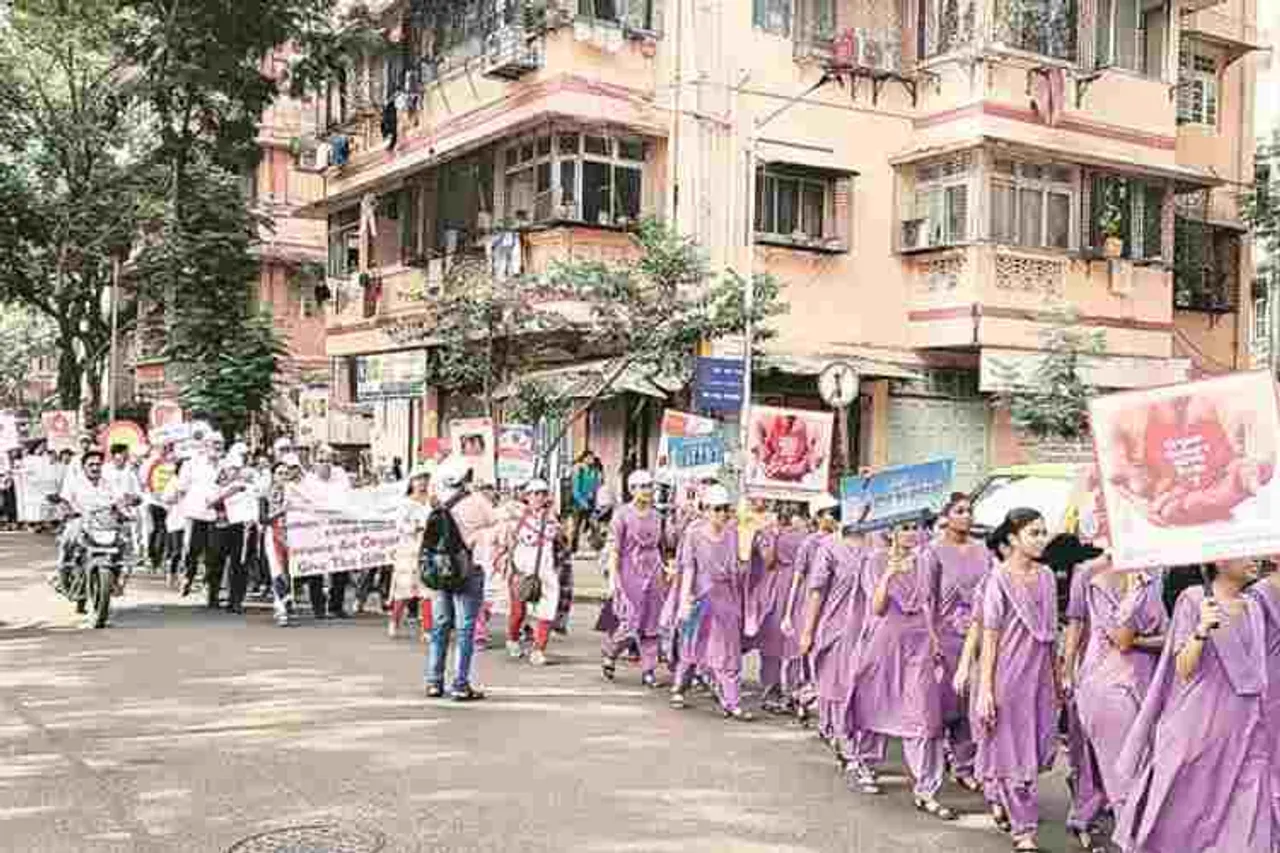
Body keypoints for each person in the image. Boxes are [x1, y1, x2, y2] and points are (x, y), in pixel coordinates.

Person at [1113, 559, 1273, 853]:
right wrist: (1200, 630)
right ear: (1219, 559)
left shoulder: (1253, 606)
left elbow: (1258, 673)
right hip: (1197, 729)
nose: (1254, 559)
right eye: (1244, 553)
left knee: (1246, 825)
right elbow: (1184, 669)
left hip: (1245, 731)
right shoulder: (1193, 599)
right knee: (1185, 823)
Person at [1060, 549, 1167, 851]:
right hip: (1108, 684)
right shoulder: (1095, 576)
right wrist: (1067, 670)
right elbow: (1112, 636)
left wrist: (1143, 640)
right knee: (1122, 775)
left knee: (1146, 770)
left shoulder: (1154, 572)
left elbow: (1168, 632)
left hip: (1148, 681)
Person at [851, 519, 956, 820]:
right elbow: (877, 608)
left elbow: (931, 604)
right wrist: (889, 574)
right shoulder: (874, 560)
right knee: (876, 703)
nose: (912, 533)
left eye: (916, 527)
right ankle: (866, 763)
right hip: (886, 639)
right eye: (905, 527)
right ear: (891, 531)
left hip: (920, 642)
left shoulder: (926, 560)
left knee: (924, 715)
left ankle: (927, 788)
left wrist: (935, 640)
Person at [975, 508, 1057, 853]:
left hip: (1040, 676)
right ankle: (1024, 831)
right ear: (1012, 538)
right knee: (1012, 750)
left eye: (1043, 532)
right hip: (1008, 674)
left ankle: (1003, 797)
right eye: (1033, 533)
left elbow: (1051, 632)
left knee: (1035, 749)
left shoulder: (1048, 575)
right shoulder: (999, 578)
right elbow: (990, 636)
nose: (1041, 539)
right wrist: (985, 689)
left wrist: (1058, 677)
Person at [922, 493, 992, 793]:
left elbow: (991, 593)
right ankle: (934, 763)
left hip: (976, 636)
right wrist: (931, 638)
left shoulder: (983, 551)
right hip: (945, 636)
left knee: (970, 702)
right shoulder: (932, 552)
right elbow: (926, 600)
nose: (967, 516)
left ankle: (965, 764)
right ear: (945, 516)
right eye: (960, 511)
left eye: (969, 511)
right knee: (944, 701)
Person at [669, 483, 750, 719]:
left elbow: (737, 566)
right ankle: (680, 686)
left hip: (727, 597)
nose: (721, 514)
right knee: (693, 647)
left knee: (730, 650)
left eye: (725, 509)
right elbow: (689, 569)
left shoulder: (733, 533)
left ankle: (732, 701)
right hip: (701, 597)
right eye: (716, 509)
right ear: (705, 510)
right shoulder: (693, 534)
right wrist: (684, 601)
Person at [425, 456, 496, 701]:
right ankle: (460, 683)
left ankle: (434, 681)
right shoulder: (477, 501)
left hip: (440, 568)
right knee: (466, 629)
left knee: (440, 625)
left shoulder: (435, 501)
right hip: (468, 568)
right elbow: (495, 521)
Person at [797, 517, 865, 772]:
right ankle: (846, 746)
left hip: (870, 631)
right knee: (839, 690)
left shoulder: (881, 545)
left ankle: (858, 748)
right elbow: (817, 591)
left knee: (862, 691)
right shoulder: (829, 547)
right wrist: (808, 631)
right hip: (837, 628)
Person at [601, 471, 668, 687]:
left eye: (649, 486)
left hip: (654, 572)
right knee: (631, 621)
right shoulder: (622, 515)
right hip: (629, 573)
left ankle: (649, 670)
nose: (647, 490)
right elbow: (614, 550)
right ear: (632, 490)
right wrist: (613, 579)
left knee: (652, 624)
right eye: (642, 486)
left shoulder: (658, 516)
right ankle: (611, 651)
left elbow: (664, 546)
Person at [780, 494, 840, 717]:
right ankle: (798, 695)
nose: (834, 518)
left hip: (833, 605)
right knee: (804, 652)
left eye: (836, 513)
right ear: (818, 517)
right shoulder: (809, 543)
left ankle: (816, 699)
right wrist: (788, 613)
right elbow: (797, 578)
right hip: (808, 603)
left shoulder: (842, 540)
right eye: (830, 514)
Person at [744, 505, 808, 713]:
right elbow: (768, 562)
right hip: (774, 587)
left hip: (798, 588)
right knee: (771, 641)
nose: (787, 512)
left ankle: (793, 693)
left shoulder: (805, 532)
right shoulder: (767, 531)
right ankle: (771, 690)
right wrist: (772, 537)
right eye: (783, 507)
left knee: (795, 643)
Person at [506, 478, 566, 667]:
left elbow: (562, 543)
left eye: (543, 493)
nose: (539, 497)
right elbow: (508, 543)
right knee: (518, 611)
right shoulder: (516, 517)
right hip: (522, 572)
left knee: (547, 611)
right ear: (527, 496)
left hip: (546, 572)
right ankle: (513, 638)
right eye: (535, 493)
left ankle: (539, 649)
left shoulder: (552, 518)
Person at [302, 446, 353, 618]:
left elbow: (348, 498)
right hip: (316, 529)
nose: (325, 465)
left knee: (340, 569)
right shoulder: (308, 480)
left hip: (338, 529)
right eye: (321, 461)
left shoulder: (341, 476)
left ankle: (336, 605)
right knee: (315, 570)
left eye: (329, 461)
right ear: (314, 463)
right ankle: (318, 606)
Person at [176, 432, 224, 600]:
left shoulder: (225, 466)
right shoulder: (191, 464)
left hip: (217, 516)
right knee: (191, 550)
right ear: (205, 446)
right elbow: (181, 489)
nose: (218, 447)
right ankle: (188, 576)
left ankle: (212, 589)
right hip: (195, 514)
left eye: (220, 444)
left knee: (215, 553)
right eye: (214, 443)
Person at [389, 465, 432, 640]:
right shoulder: (404, 503)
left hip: (429, 549)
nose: (422, 482)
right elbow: (399, 525)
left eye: (425, 478)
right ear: (412, 482)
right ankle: (395, 620)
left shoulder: (432, 501)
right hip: (408, 550)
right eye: (419, 479)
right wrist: (415, 527)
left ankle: (428, 629)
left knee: (428, 590)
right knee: (405, 590)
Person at [140, 443, 177, 571]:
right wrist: (153, 493)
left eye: (167, 448)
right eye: (163, 448)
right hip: (154, 501)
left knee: (164, 530)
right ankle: (153, 556)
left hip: (168, 503)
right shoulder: (153, 463)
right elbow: (146, 480)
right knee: (156, 529)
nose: (165, 451)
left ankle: (159, 558)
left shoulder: (174, 464)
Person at [569, 451, 601, 553]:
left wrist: (594, 502)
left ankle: (597, 547)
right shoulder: (578, 469)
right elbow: (575, 490)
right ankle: (572, 549)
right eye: (590, 458)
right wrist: (583, 502)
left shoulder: (594, 471)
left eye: (593, 458)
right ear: (585, 458)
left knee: (594, 524)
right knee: (576, 526)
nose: (592, 460)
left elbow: (595, 487)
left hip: (590, 502)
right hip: (578, 503)